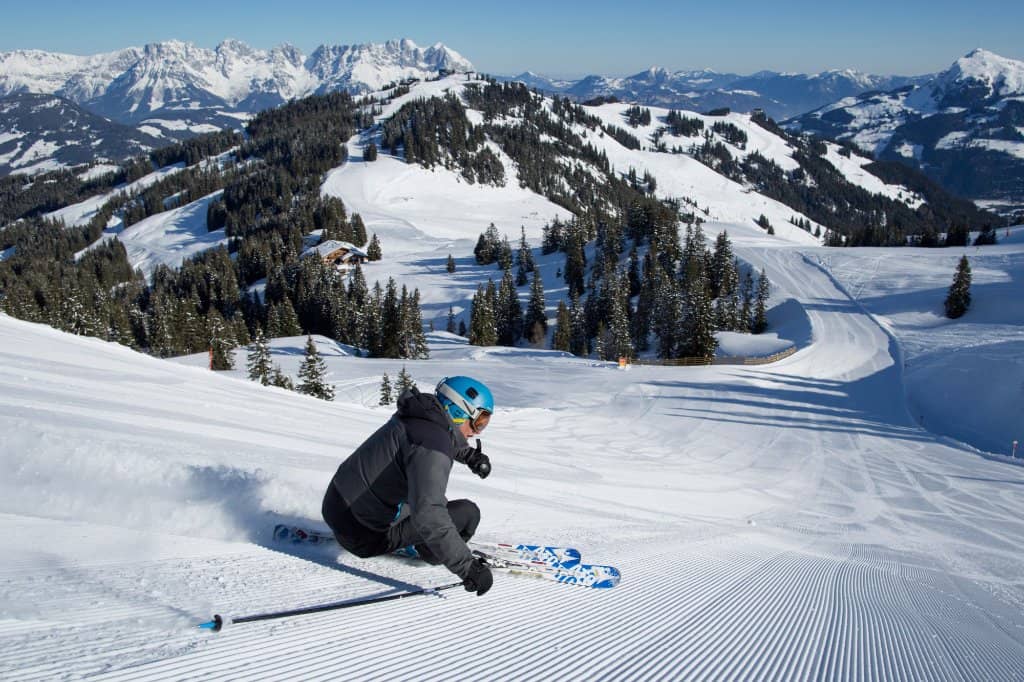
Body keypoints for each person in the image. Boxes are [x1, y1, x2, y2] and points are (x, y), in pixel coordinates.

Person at [322, 375, 495, 596]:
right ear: (457, 411)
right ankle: (427, 549)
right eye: (479, 421)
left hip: (335, 506)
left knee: (420, 495)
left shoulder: (417, 416)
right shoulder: (433, 444)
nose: (478, 431)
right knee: (467, 513)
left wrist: (470, 456)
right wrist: (468, 568)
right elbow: (429, 514)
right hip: (362, 537)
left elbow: (442, 434)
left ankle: (420, 537)